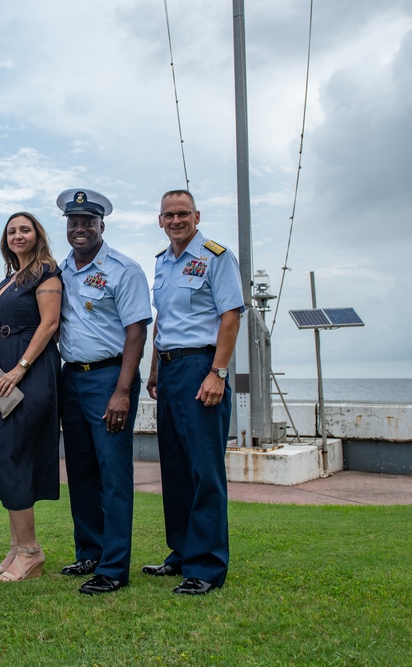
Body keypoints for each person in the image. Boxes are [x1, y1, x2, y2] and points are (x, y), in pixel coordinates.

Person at [143, 189, 244, 595]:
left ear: (197, 216)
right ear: (160, 220)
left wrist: (218, 373)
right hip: (169, 370)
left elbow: (231, 316)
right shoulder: (162, 263)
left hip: (202, 367)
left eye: (183, 213)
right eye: (169, 215)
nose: (176, 220)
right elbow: (161, 323)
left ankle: (206, 567)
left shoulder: (216, 257)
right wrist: (153, 370)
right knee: (177, 470)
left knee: (204, 471)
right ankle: (182, 554)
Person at [55, 189, 151, 595]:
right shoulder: (58, 270)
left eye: (87, 222)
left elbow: (136, 330)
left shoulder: (124, 270)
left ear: (101, 226)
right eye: (73, 222)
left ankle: (113, 567)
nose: (79, 228)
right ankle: (89, 553)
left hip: (109, 380)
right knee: (80, 473)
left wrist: (123, 391)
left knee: (113, 476)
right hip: (70, 379)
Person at [0, 212, 62, 582]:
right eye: (11, 231)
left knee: (11, 454)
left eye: (24, 229)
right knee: (11, 456)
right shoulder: (8, 280)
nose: (17, 235)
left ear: (37, 234)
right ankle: (16, 547)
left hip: (31, 373)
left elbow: (50, 324)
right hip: (2, 378)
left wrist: (20, 367)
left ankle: (30, 551)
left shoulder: (46, 273)